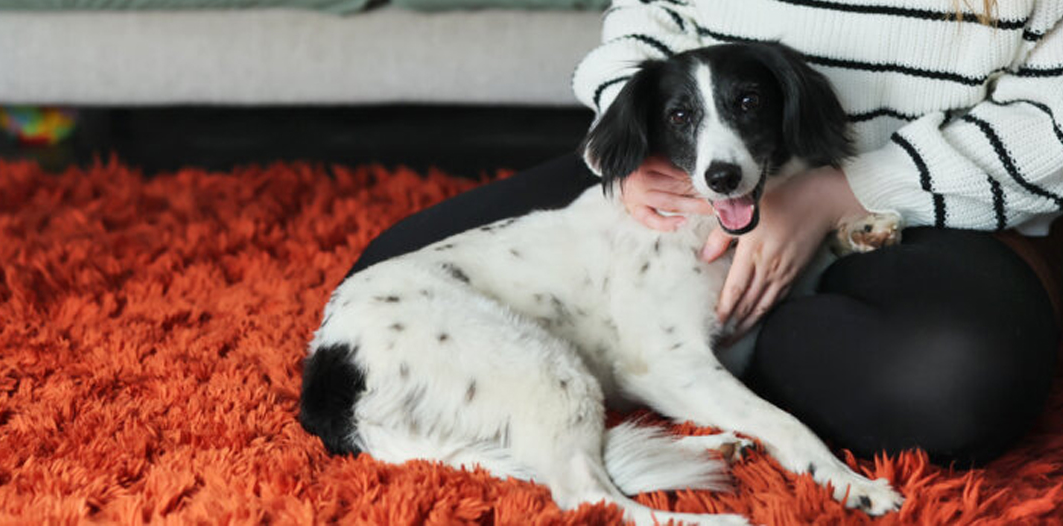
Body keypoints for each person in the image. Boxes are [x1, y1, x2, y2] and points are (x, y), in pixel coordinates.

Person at [345, 0, 1063, 466]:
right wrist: (640, 140)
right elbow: (648, 16)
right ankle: (659, 350)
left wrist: (839, 192)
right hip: (692, 161)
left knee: (949, 387)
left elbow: (1050, 120)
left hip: (927, 207)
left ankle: (663, 352)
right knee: (389, 285)